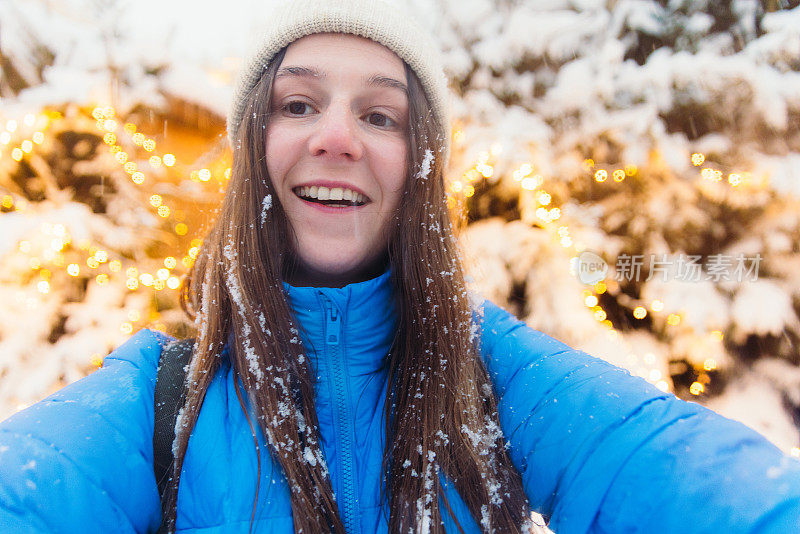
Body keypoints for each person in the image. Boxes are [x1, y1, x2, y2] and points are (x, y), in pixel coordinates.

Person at [1, 0, 800, 533]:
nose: (337, 138)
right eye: (299, 104)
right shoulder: (156, 400)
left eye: (380, 114)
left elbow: (684, 474)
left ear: (420, 166)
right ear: (254, 148)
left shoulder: (499, 377)